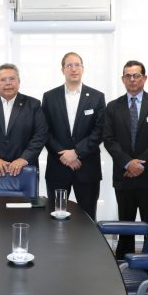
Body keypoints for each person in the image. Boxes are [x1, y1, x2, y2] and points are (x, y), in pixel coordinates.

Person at [103, 60, 148, 258]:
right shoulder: (113, 107)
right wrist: (128, 162)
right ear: (123, 79)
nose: (132, 80)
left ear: (144, 78)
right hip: (124, 177)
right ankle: (123, 268)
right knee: (126, 226)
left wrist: (139, 164)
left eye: (136, 75)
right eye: (128, 76)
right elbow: (108, 139)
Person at [42, 52, 105, 220]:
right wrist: (63, 154)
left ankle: (88, 247)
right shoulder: (49, 97)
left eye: (77, 65)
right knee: (56, 216)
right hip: (58, 166)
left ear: (83, 69)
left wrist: (76, 152)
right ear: (62, 69)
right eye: (69, 65)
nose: (73, 69)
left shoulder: (97, 97)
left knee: (88, 217)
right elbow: (44, 131)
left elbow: (99, 131)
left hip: (87, 167)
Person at [0, 63, 47, 177]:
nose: (8, 83)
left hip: (24, 171)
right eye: (3, 80)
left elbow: (41, 135)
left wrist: (23, 159)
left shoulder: (33, 105)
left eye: (12, 78)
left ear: (18, 81)